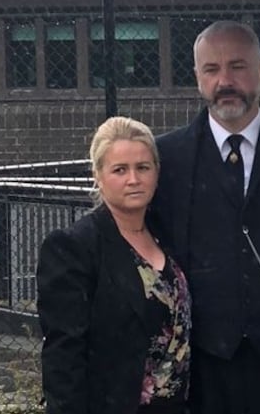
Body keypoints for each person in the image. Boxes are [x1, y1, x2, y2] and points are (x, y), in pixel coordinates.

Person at [148, 20, 260, 414]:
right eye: (212, 69)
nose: (225, 79)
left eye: (238, 66)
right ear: (197, 78)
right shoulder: (166, 158)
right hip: (203, 362)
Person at [37, 116, 191, 414]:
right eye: (120, 170)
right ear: (98, 175)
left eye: (142, 168)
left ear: (156, 173)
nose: (133, 179)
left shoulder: (168, 236)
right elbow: (63, 356)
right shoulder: (74, 247)